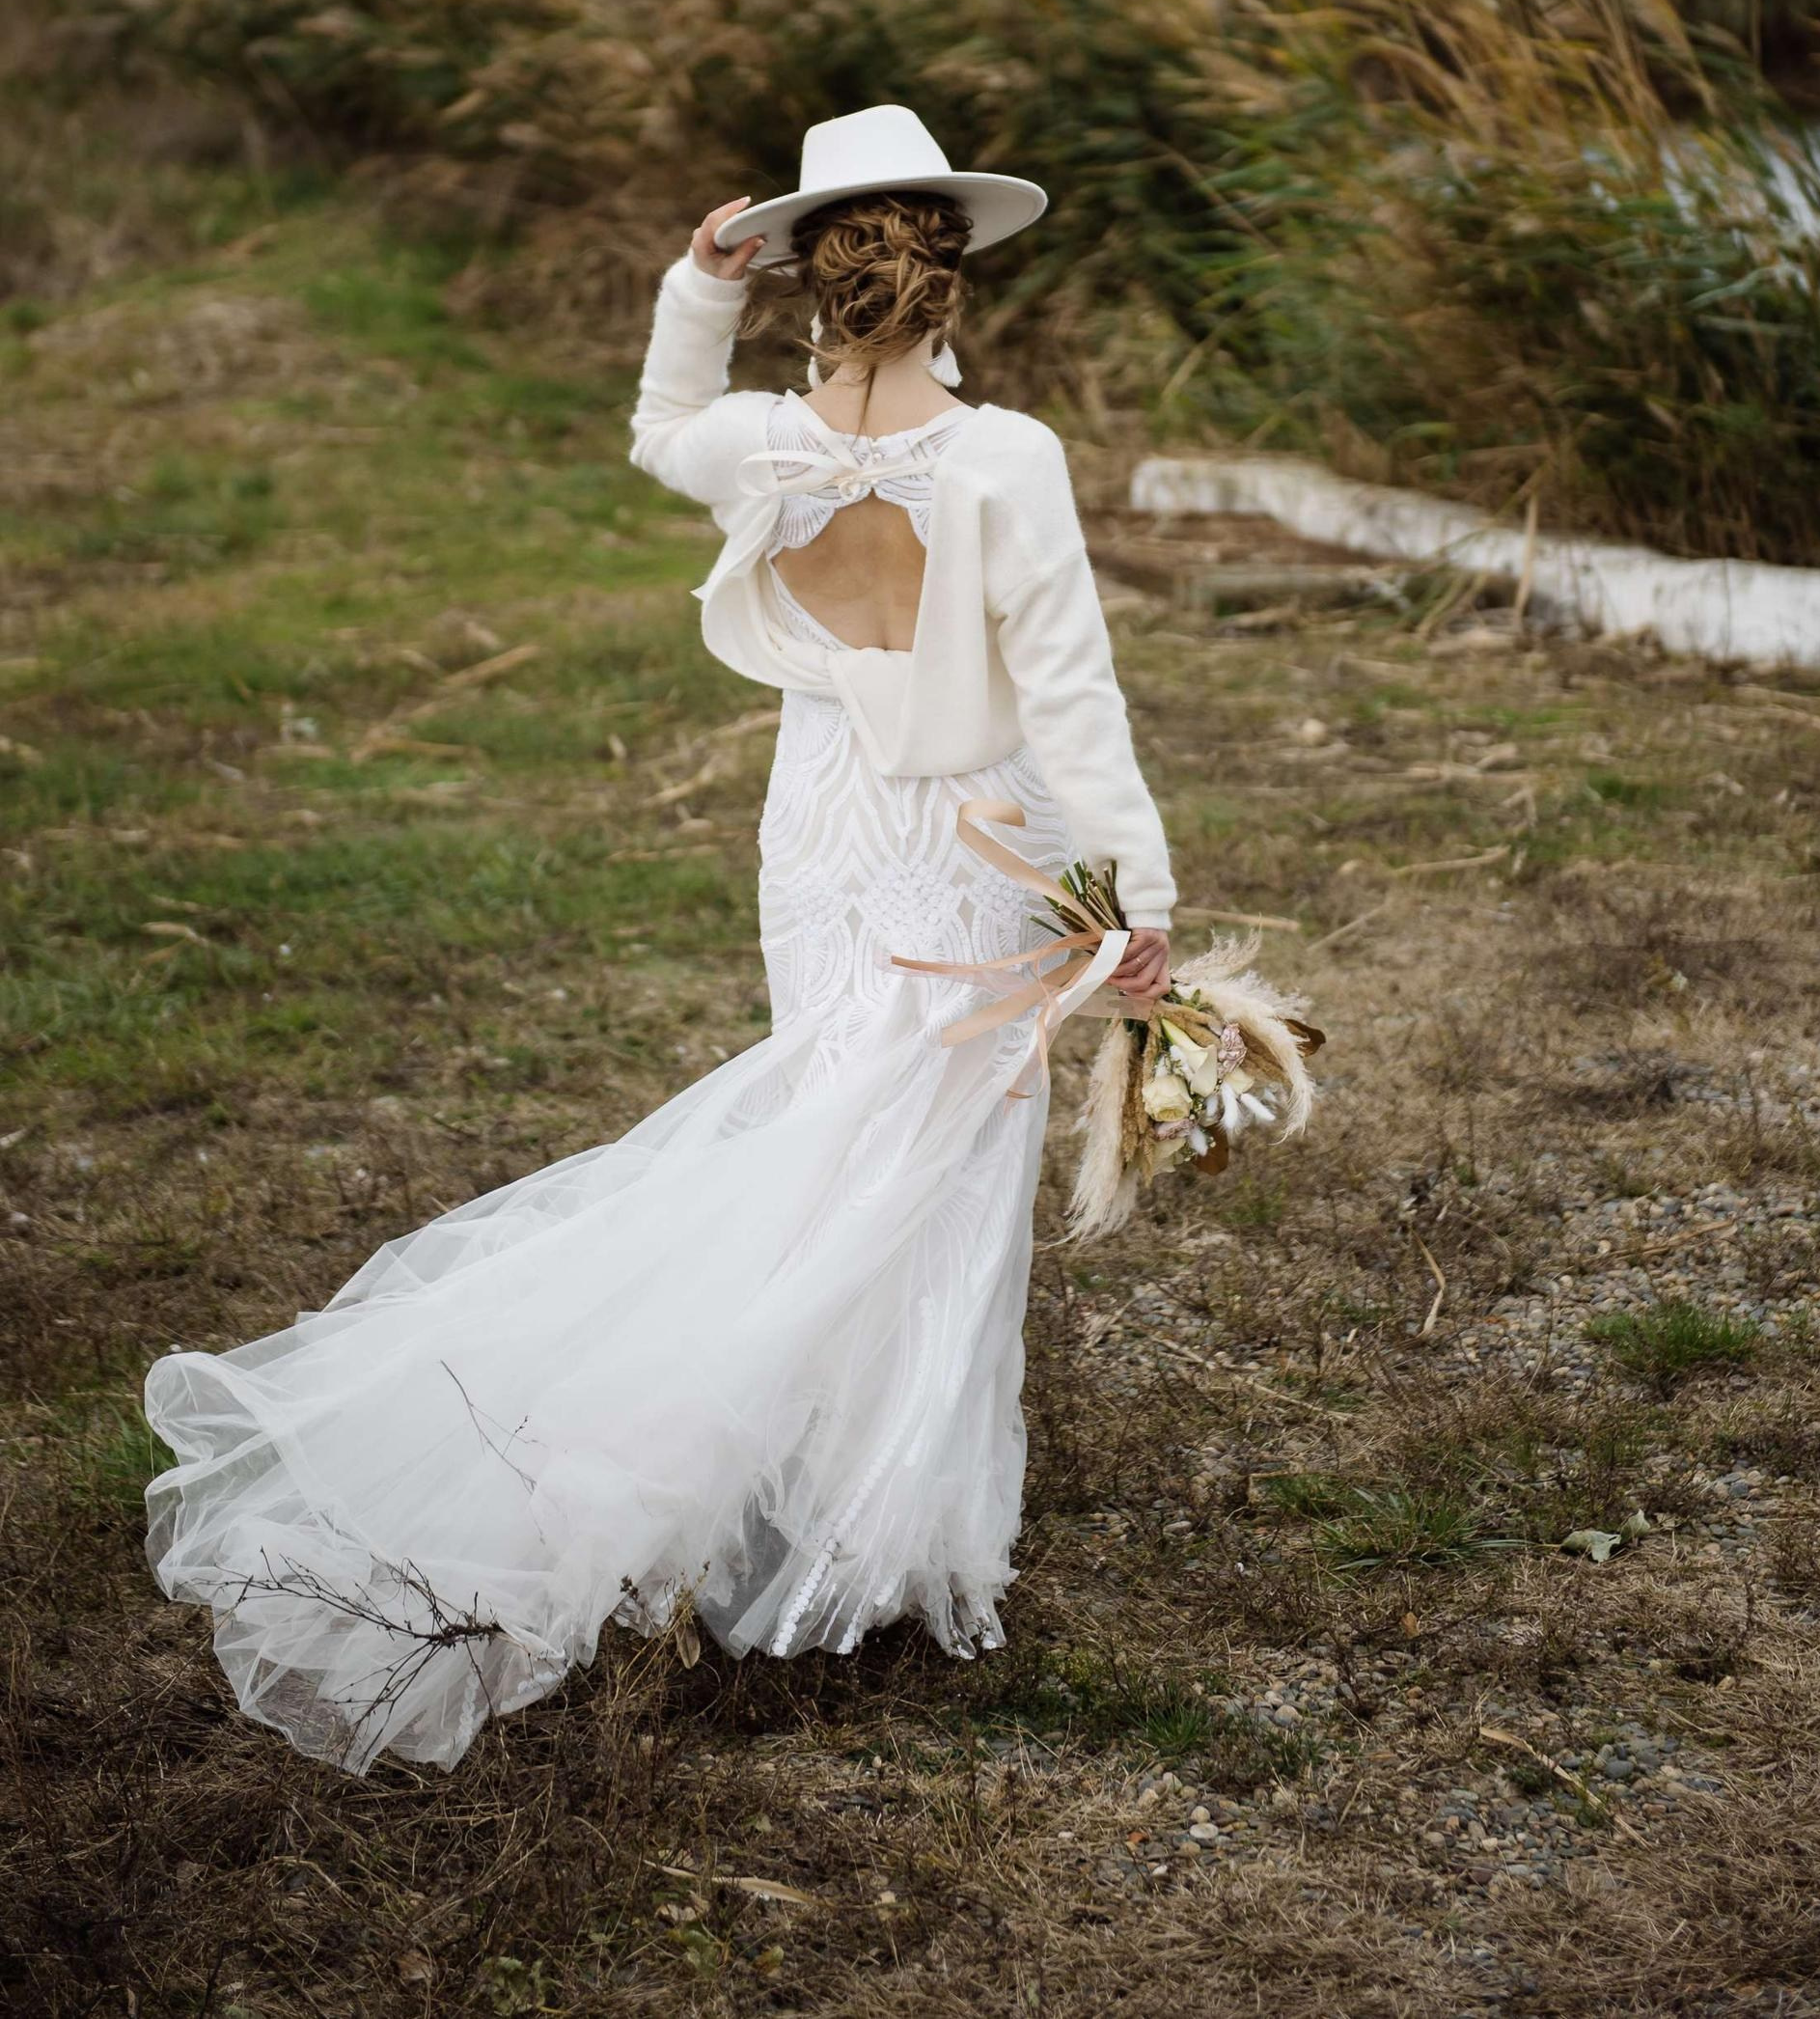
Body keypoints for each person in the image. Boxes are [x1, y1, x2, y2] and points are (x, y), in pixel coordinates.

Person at [142, 103, 1176, 1774]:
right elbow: (1070, 691)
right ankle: (859, 1544)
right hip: (973, 843)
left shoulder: (763, 442)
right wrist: (1143, 898)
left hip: (824, 831)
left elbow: (654, 425)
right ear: (950, 273)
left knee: (832, 1128)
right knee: (930, 1174)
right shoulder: (1007, 458)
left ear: (809, 282)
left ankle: (800, 1505)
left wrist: (693, 293)